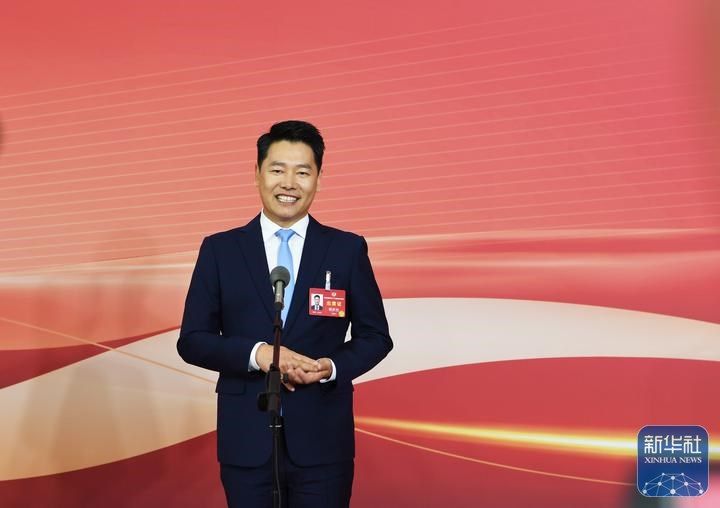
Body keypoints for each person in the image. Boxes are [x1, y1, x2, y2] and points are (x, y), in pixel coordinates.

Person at [177, 120, 393, 507]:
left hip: (322, 440)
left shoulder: (345, 249)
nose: (289, 183)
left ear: (319, 179)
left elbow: (375, 337)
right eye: (277, 170)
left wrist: (329, 367)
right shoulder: (221, 250)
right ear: (257, 173)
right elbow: (193, 340)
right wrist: (257, 353)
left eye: (302, 172)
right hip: (247, 439)